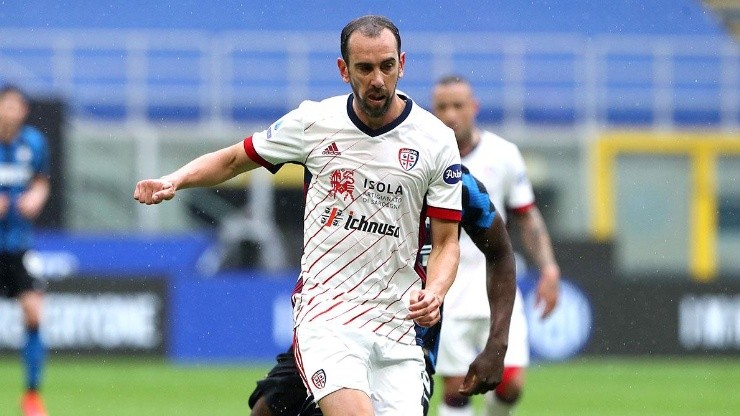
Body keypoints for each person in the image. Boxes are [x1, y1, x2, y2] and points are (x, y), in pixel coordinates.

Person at [135, 15, 463, 416]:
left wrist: (437, 292)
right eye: (364, 68)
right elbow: (235, 159)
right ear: (344, 70)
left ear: (402, 64)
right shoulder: (314, 122)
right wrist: (176, 179)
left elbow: (448, 241)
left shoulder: (436, 141)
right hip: (328, 317)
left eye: (386, 66)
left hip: (398, 326)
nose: (377, 79)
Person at [248, 165, 518, 416]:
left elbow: (501, 252)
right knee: (266, 409)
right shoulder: (353, 163)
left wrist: (497, 346)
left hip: (407, 347)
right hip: (333, 331)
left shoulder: (456, 184)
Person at [431, 75, 561, 416]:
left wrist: (548, 267)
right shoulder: (426, 157)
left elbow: (527, 217)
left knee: (510, 385)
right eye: (442, 106)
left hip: (497, 279)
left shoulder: (504, 154)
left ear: (474, 108)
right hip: (448, 283)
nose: (450, 115)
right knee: (457, 389)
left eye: (457, 105)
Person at [0, 84, 51, 416]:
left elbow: (41, 181)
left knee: (34, 313)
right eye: (6, 106)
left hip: (19, 246)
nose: (11, 112)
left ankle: (32, 395)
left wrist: (36, 195)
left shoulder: (33, 143)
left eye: (17, 107)